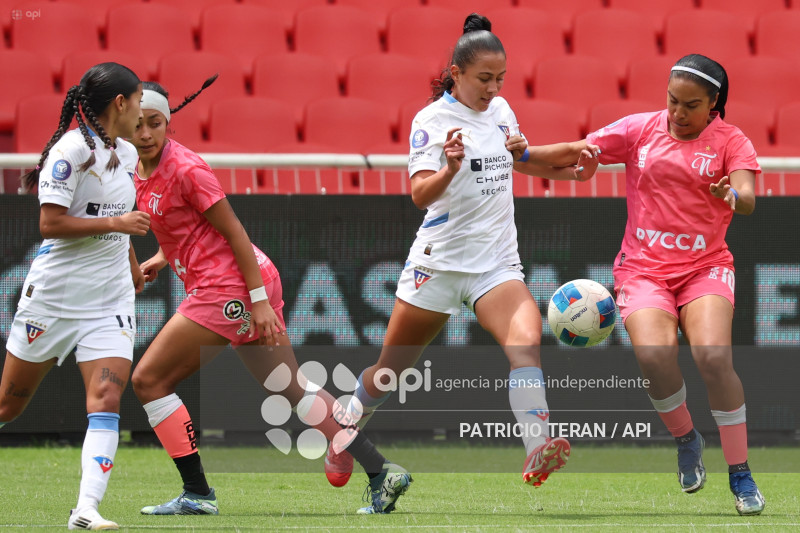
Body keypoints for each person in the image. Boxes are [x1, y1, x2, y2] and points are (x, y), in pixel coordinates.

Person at [325, 13, 598, 490]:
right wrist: (449, 169)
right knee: (389, 373)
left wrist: (572, 174)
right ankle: (343, 429)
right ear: (457, 73)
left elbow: (522, 165)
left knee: (525, 345)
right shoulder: (431, 122)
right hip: (440, 265)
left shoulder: (502, 111)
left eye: (500, 79)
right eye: (484, 79)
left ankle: (538, 446)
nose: (494, 88)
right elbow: (419, 196)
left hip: (495, 265)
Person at [129, 78, 412, 516]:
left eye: (155, 123)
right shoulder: (139, 167)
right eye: (139, 124)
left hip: (230, 288)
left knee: (148, 381)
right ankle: (381, 471)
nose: (146, 133)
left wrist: (258, 302)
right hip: (242, 283)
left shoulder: (186, 168)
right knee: (293, 388)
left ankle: (197, 494)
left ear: (168, 122)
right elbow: (185, 227)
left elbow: (234, 232)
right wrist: (162, 259)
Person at [577, 54, 764, 516]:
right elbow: (579, 151)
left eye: (690, 105)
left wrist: (731, 195)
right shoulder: (641, 129)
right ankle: (686, 438)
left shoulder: (731, 141)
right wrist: (520, 156)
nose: (678, 113)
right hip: (643, 270)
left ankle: (739, 472)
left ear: (714, 104)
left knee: (713, 357)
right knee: (655, 357)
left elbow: (748, 198)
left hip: (705, 267)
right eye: (672, 101)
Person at [0, 62, 148, 530]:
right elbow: (50, 224)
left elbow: (119, 215)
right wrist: (117, 226)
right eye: (139, 102)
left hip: (110, 302)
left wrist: (127, 260)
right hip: (54, 301)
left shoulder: (124, 153)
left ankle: (86, 509)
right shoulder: (69, 152)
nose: (141, 113)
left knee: (106, 397)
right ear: (119, 104)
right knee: (9, 405)